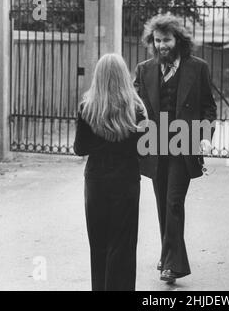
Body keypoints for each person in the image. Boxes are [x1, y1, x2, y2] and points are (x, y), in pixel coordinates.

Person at [134, 14, 217, 284]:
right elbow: (136, 108)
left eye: (166, 40)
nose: (161, 46)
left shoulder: (198, 67)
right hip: (155, 146)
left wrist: (205, 136)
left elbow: (208, 107)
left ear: (178, 40)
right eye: (157, 41)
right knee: (162, 205)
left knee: (173, 202)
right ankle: (167, 255)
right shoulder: (144, 69)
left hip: (185, 144)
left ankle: (174, 265)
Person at [74, 53, 147, 291]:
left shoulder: (87, 107)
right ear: (124, 76)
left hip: (96, 180)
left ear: (98, 76)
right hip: (126, 180)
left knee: (99, 244)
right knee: (123, 245)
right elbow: (144, 151)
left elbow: (79, 148)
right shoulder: (136, 108)